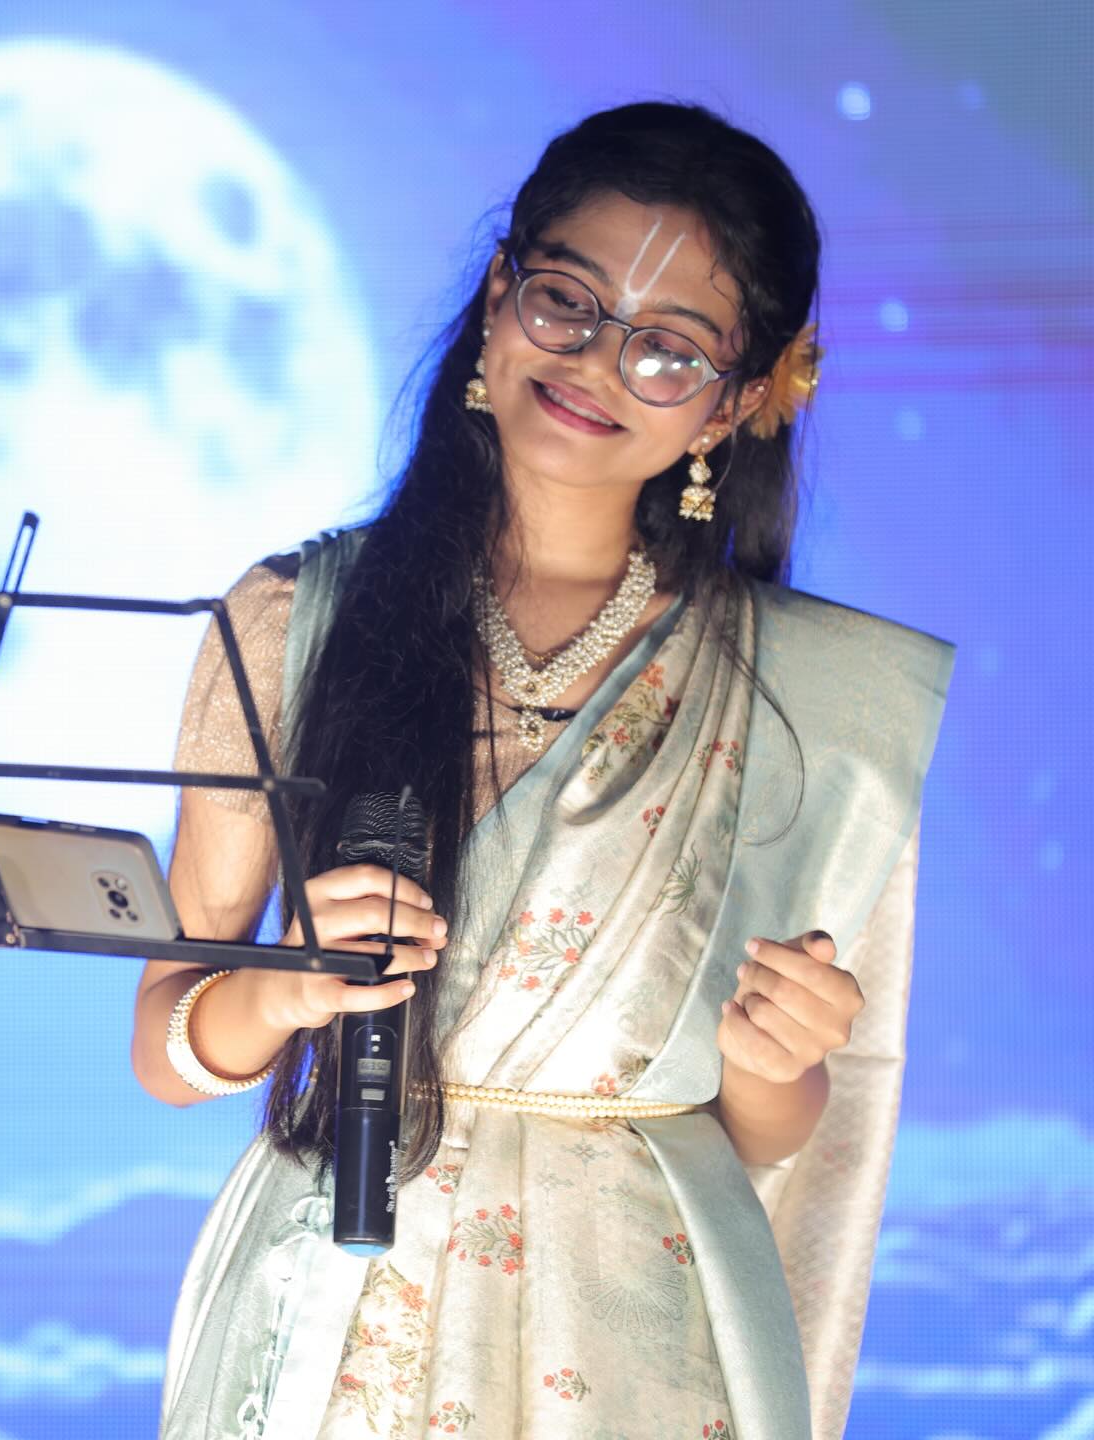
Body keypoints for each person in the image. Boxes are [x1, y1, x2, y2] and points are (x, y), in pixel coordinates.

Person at [134, 101, 953, 1440]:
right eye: (567, 300)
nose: (597, 366)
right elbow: (167, 1044)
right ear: (500, 296)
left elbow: (771, 1126)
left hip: (631, 1328)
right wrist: (282, 988)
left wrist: (773, 1057)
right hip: (335, 1305)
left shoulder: (805, 700)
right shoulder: (294, 622)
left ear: (740, 404)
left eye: (670, 351)